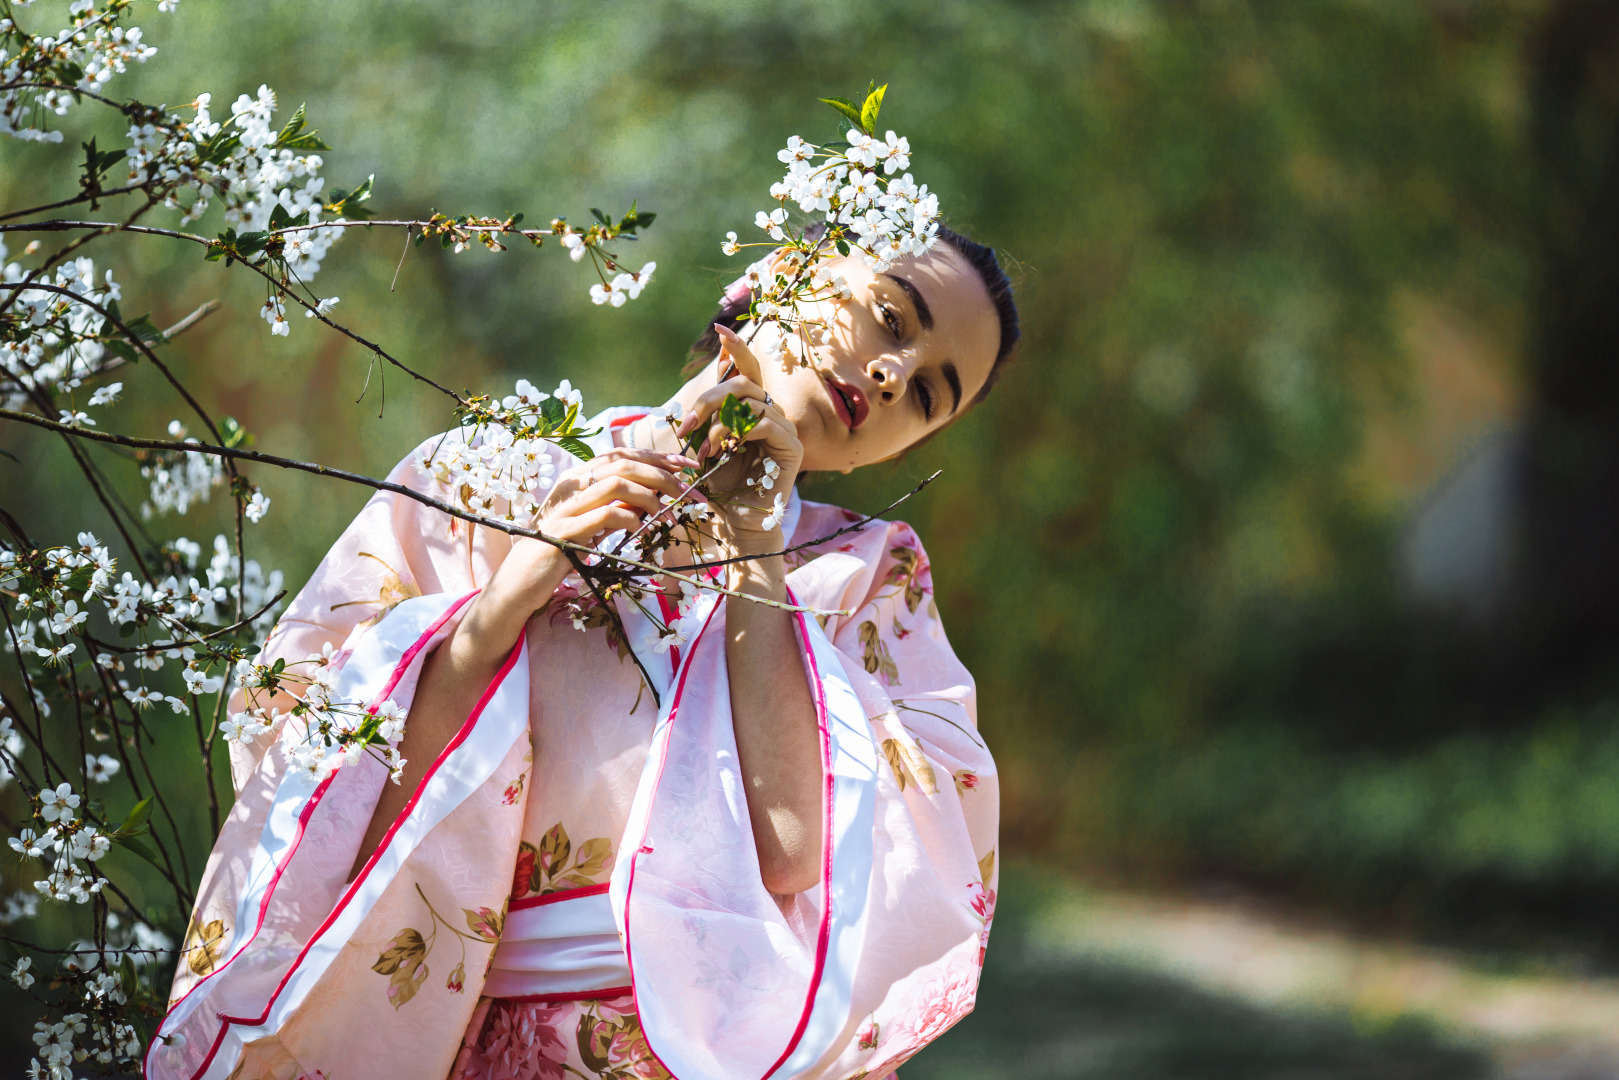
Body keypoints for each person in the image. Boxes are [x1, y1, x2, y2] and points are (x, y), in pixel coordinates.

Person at [145, 225, 1019, 1080]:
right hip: (479, 1037)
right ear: (791, 263)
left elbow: (797, 855)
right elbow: (309, 754)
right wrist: (502, 604)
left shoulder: (871, 581)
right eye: (892, 320)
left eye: (931, 395)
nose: (893, 373)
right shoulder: (494, 473)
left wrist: (753, 541)